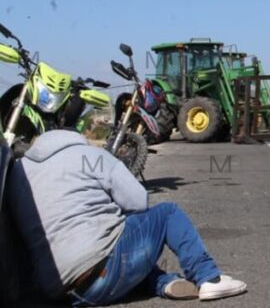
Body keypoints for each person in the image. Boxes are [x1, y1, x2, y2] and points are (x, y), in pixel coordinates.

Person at [7, 129, 247, 305]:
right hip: (106, 269)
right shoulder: (90, 155)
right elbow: (138, 201)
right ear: (75, 138)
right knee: (166, 215)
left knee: (118, 247)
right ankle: (208, 279)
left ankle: (164, 283)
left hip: (64, 293)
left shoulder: (19, 172)